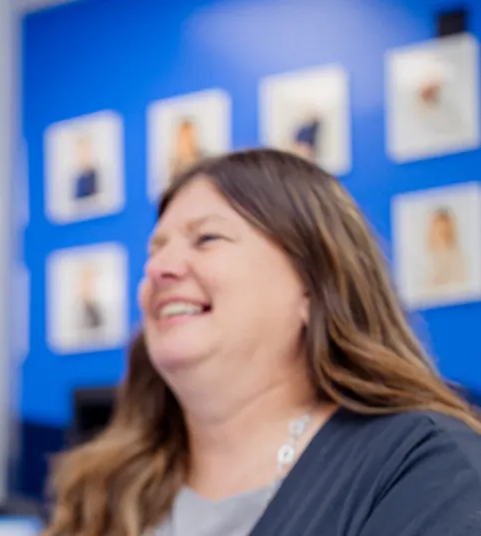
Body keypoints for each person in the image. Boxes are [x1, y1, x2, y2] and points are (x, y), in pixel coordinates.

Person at [44, 149, 481, 536]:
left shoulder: (424, 465)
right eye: (155, 250)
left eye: (207, 238)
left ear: (314, 285)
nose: (160, 268)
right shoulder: (100, 488)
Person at [424, 206, 468, 291]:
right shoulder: (431, 262)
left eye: (440, 234)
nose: (433, 237)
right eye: (433, 232)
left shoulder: (457, 262)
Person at [72, 133, 100, 200]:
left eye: (85, 149)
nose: (83, 154)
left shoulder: (95, 174)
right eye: (80, 150)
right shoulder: (78, 177)